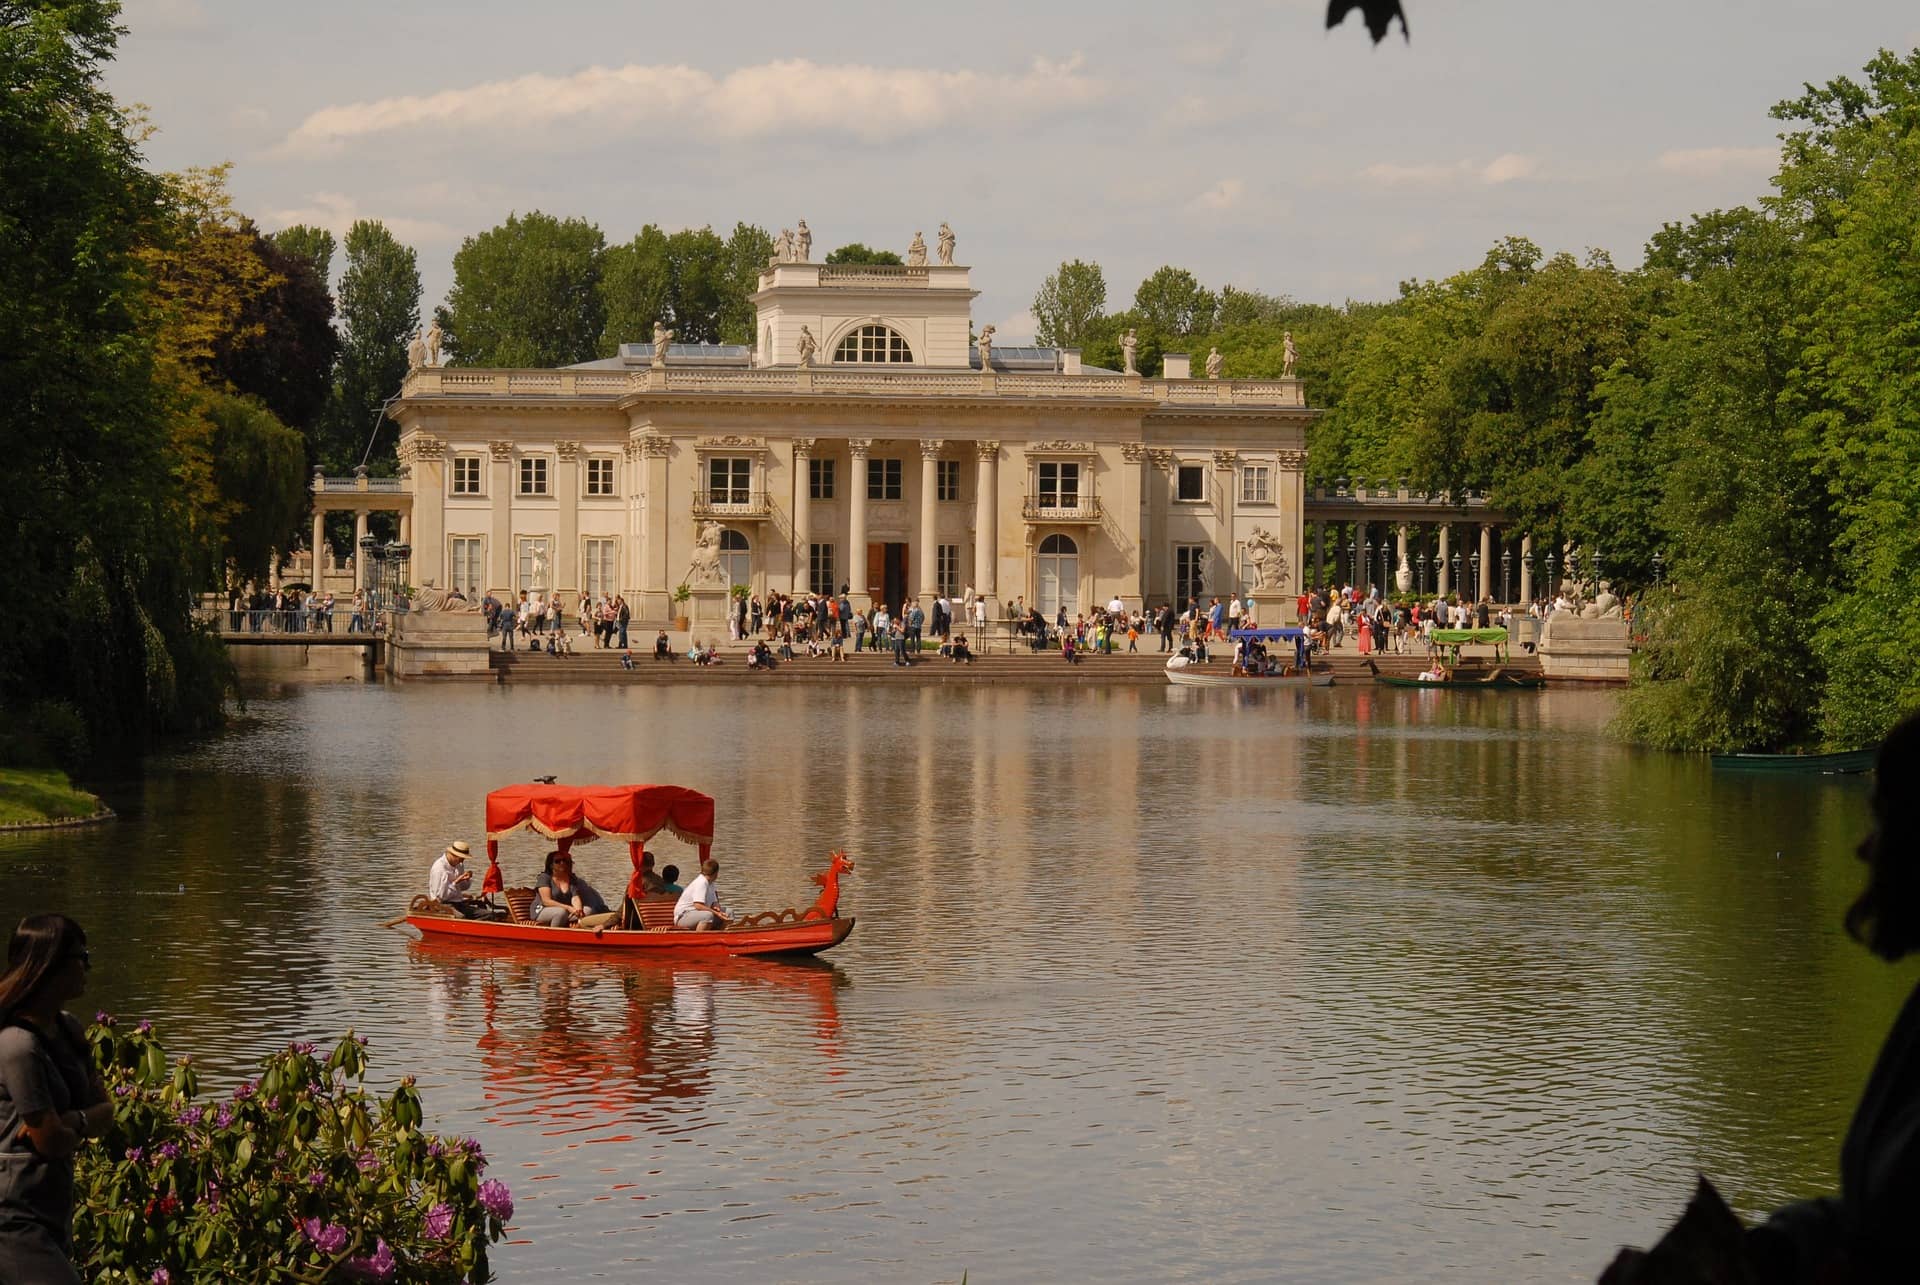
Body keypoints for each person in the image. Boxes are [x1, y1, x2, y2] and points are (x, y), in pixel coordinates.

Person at [0, 914, 112, 1283]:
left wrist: (71, 1122)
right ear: (50, 965)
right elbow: (49, 1142)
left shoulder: (68, 1028)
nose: (88, 966)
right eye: (82, 956)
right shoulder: (17, 1045)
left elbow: (107, 1111)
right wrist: (80, 1122)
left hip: (50, 1209)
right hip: (13, 1217)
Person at [534, 852, 614, 929]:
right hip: (542, 909)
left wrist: (579, 910)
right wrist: (568, 908)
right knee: (561, 912)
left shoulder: (571, 878)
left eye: (564, 860)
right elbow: (546, 901)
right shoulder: (544, 877)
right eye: (557, 861)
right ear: (551, 865)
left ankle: (579, 933)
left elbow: (575, 897)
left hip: (565, 910)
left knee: (588, 910)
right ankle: (554, 936)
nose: (562, 863)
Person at [428, 840, 486, 918]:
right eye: (461, 858)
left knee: (487, 914)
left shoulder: (459, 865)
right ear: (454, 855)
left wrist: (466, 879)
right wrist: (456, 882)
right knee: (462, 918)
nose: (462, 861)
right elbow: (442, 896)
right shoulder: (439, 868)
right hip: (443, 905)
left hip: (458, 902)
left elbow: (463, 887)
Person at [674, 860, 729, 930]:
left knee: (729, 913)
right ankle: (699, 939)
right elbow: (698, 905)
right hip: (683, 916)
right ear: (716, 873)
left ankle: (721, 937)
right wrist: (716, 913)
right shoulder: (701, 882)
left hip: (699, 914)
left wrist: (717, 908)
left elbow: (714, 902)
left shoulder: (711, 883)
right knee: (707, 916)